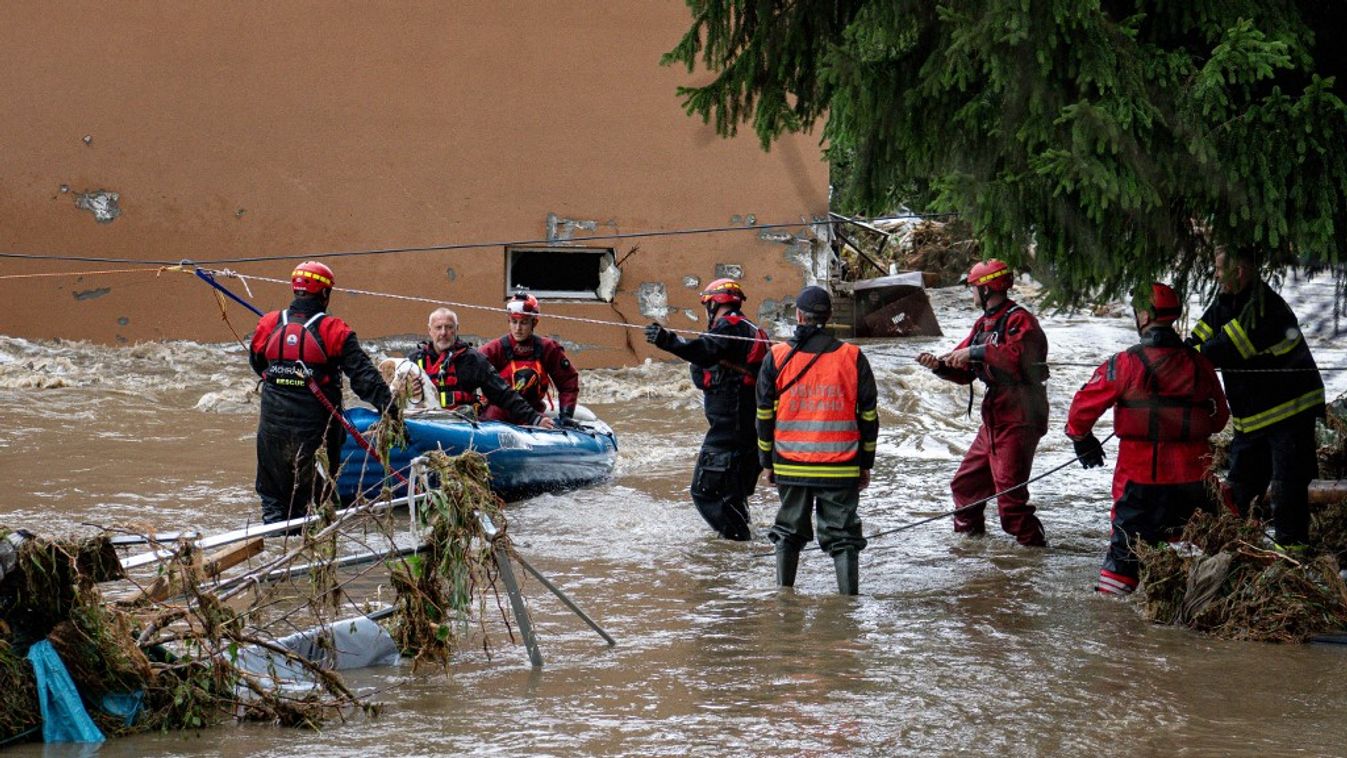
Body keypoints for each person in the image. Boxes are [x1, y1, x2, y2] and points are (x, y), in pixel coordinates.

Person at [1065, 283, 1231, 596]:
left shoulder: (1124, 364)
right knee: (1203, 544)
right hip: (1195, 478)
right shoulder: (1200, 364)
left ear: (1143, 315)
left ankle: (1114, 629)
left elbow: (1082, 408)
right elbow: (1220, 417)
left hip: (1139, 477)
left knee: (1125, 554)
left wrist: (1081, 438)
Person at [1186, 247, 1325, 550]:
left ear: (1238, 272)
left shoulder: (1264, 308)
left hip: (1290, 412)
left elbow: (1219, 349)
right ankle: (1235, 546)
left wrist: (1180, 360)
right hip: (1254, 417)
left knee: (1287, 487)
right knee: (1241, 486)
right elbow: (1197, 340)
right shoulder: (1226, 302)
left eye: (1220, 270)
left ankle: (1292, 556)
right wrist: (1177, 353)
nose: (1216, 276)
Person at [916, 259, 1051, 546]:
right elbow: (963, 369)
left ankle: (1036, 557)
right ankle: (972, 551)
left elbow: (1016, 359)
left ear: (988, 290)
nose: (972, 295)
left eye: (974, 289)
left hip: (1020, 413)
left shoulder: (1021, 321)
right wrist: (938, 365)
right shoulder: (983, 324)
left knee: (1010, 503)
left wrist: (975, 353)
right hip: (996, 414)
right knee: (965, 485)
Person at [249, 261, 396, 524]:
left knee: (274, 509)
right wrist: (393, 412)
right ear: (326, 294)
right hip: (316, 438)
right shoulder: (335, 331)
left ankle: (276, 552)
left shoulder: (269, 323)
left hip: (271, 434)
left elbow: (258, 364)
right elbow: (366, 380)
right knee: (316, 510)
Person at [756, 286, 879, 595]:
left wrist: (766, 463)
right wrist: (865, 464)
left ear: (798, 316)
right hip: (841, 467)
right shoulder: (853, 357)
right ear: (829, 316)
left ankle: (784, 598)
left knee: (787, 531)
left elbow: (763, 417)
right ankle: (849, 603)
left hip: (790, 464)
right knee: (844, 537)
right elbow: (869, 418)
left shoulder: (777, 356)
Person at [645, 277, 771, 540]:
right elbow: (705, 364)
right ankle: (742, 554)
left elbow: (702, 350)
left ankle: (737, 545)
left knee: (705, 492)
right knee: (731, 495)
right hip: (749, 430)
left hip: (730, 430)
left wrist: (667, 340)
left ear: (714, 304)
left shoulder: (732, 326)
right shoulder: (748, 330)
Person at [407, 307, 554, 428]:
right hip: (423, 422)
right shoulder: (413, 360)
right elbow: (392, 393)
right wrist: (406, 390)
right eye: (438, 328)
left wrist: (535, 419)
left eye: (449, 327)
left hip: (459, 424)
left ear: (457, 329)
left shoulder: (472, 360)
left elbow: (503, 393)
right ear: (430, 330)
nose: (443, 333)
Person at [478, 293, 581, 425]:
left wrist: (566, 415)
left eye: (524, 323)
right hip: (496, 416)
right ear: (508, 322)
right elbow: (470, 372)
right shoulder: (493, 349)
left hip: (534, 415)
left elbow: (568, 382)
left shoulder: (548, 349)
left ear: (534, 322)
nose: (518, 328)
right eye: (514, 322)